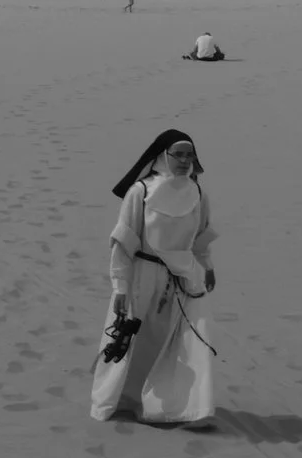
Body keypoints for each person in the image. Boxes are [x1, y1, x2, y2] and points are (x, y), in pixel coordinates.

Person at [90, 129, 218, 427]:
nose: (185, 161)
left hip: (182, 277)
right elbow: (124, 241)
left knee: (178, 341)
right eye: (179, 154)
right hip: (141, 275)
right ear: (163, 156)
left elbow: (201, 236)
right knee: (128, 337)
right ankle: (116, 400)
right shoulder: (141, 191)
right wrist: (120, 286)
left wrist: (207, 267)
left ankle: (177, 406)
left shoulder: (198, 193)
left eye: (190, 155)